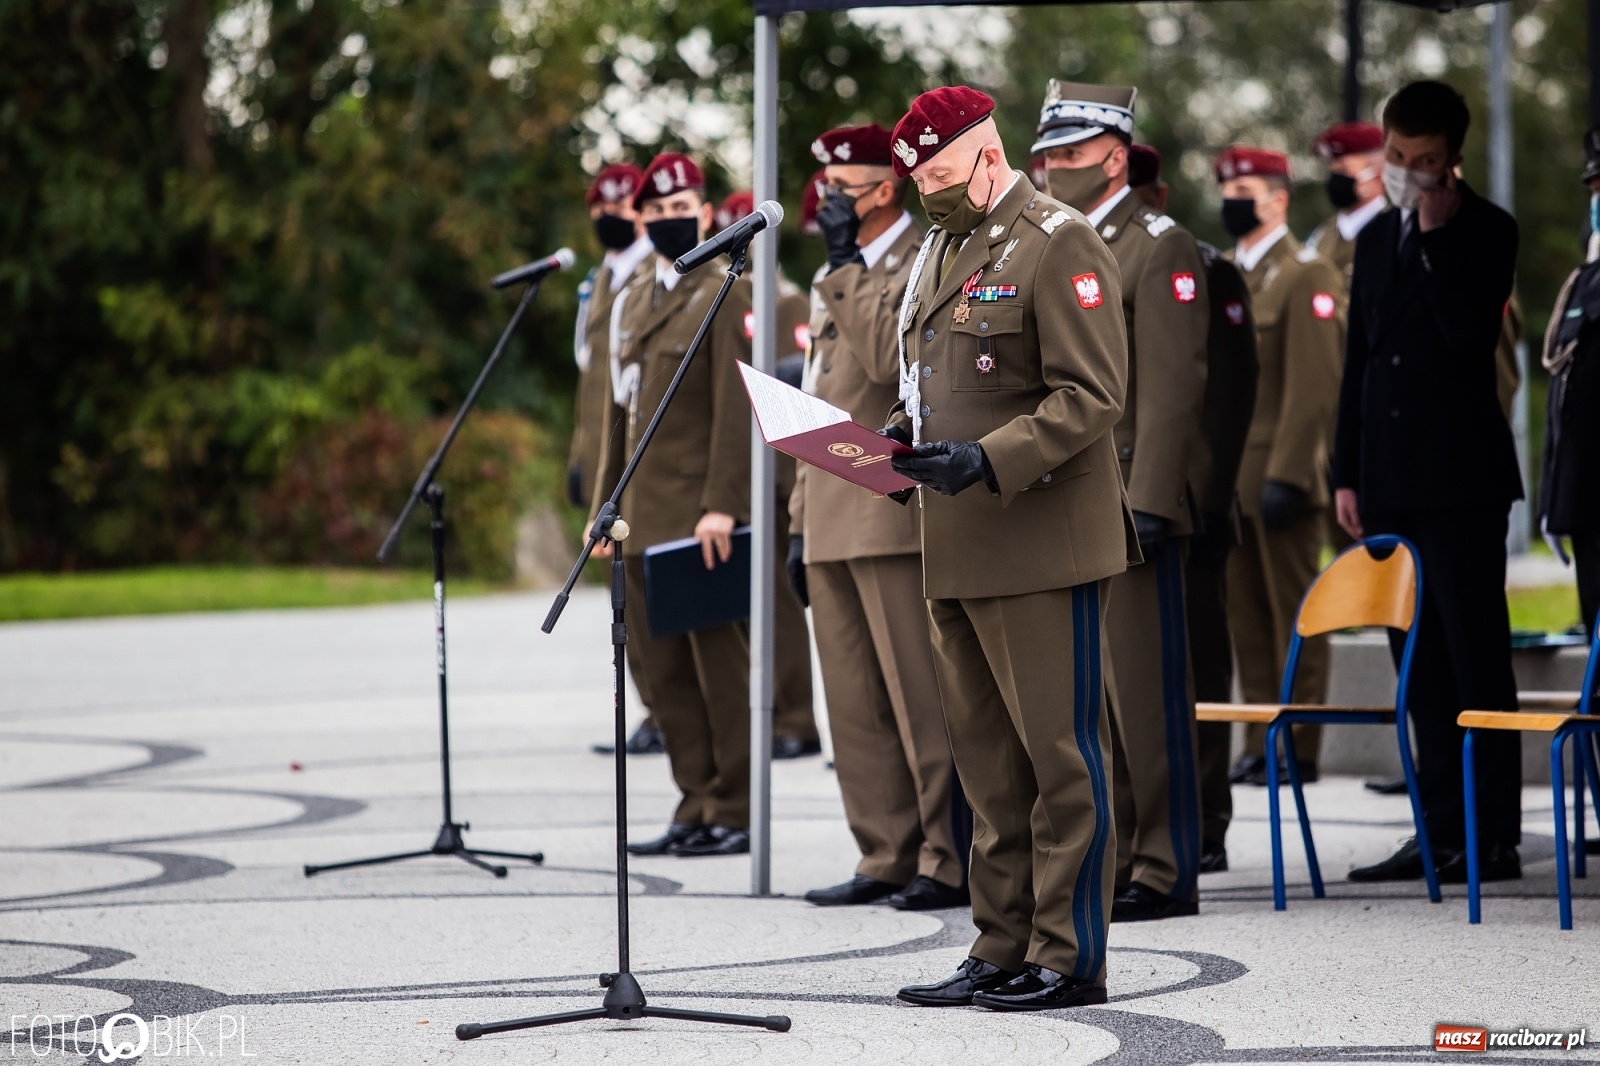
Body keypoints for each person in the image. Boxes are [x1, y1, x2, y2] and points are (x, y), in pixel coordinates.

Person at [884, 86, 1135, 1011]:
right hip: (953, 538)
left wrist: (984, 459)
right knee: (990, 768)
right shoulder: (942, 245)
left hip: (1038, 541)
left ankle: (1070, 959)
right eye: (916, 179)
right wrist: (902, 435)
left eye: (941, 173)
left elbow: (1092, 394)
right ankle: (999, 944)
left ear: (988, 156)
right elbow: (938, 378)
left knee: (1058, 760)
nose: (927, 192)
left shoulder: (1059, 238)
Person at [1334, 81, 1523, 883]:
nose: (1408, 173)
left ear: (1454, 159)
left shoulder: (1487, 231)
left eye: (1425, 161)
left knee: (1476, 660)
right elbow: (1360, 364)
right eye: (1398, 158)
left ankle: (1494, 837)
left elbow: (1467, 337)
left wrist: (1440, 241)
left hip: (1463, 484)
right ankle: (1439, 831)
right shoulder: (1376, 238)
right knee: (1418, 667)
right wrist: (1347, 472)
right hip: (1393, 483)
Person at [1032, 82, 1208, 923]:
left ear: (1113, 155)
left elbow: (1174, 389)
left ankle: (1169, 864)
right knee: (1099, 696)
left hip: (1135, 498)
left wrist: (1151, 498)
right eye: (1049, 154)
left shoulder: (1158, 246)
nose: (1053, 167)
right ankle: (1131, 848)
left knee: (1147, 694)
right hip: (1078, 502)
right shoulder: (1065, 241)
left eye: (1070, 153)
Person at [786, 123, 966, 912]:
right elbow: (822, 396)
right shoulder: (847, 270)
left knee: (918, 697)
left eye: (841, 187)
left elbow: (889, 361)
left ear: (884, 188)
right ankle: (883, 850)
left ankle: (945, 855)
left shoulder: (917, 258)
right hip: (828, 508)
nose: (828, 201)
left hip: (891, 509)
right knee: (853, 705)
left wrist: (842, 266)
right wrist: (796, 525)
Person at [596, 152, 755, 859]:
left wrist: (722, 503)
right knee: (661, 676)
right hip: (637, 515)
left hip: (697, 517)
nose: (669, 221)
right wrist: (605, 503)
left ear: (704, 211)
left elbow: (734, 411)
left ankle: (734, 806)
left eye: (680, 208)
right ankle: (693, 800)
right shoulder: (633, 300)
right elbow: (617, 413)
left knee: (717, 670)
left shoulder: (723, 291)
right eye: (655, 213)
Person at [1132, 143, 1261, 872]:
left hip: (1193, 511)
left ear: (1159, 192)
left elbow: (1226, 396)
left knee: (1196, 672)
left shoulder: (1207, 268)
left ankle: (1205, 819)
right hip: (1134, 510)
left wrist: (1207, 501)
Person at [1216, 146, 1344, 788]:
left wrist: (1291, 473)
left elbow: (1314, 385)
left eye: (1243, 185)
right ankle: (1258, 738)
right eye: (1226, 185)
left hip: (1279, 477)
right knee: (1246, 617)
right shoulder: (1226, 274)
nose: (1231, 196)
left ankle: (1297, 742)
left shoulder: (1306, 274)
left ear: (1278, 198)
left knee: (1295, 614)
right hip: (1230, 479)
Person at [714, 191, 823, 761]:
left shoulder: (788, 303)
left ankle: (797, 718)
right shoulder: (723, 298)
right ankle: (770, 710)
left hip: (779, 470)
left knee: (781, 602)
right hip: (736, 464)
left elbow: (801, 384)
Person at [572, 164, 666, 758]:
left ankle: (663, 711)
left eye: (623, 209)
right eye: (600, 208)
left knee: (652, 595)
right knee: (623, 588)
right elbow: (591, 382)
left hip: (650, 465)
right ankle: (653, 707)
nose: (610, 217)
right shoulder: (601, 281)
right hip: (607, 452)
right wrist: (583, 458)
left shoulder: (652, 281)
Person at [1542, 125, 1600, 636]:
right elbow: (1560, 399)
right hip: (1585, 500)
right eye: (1596, 191)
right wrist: (1551, 497)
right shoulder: (1584, 281)